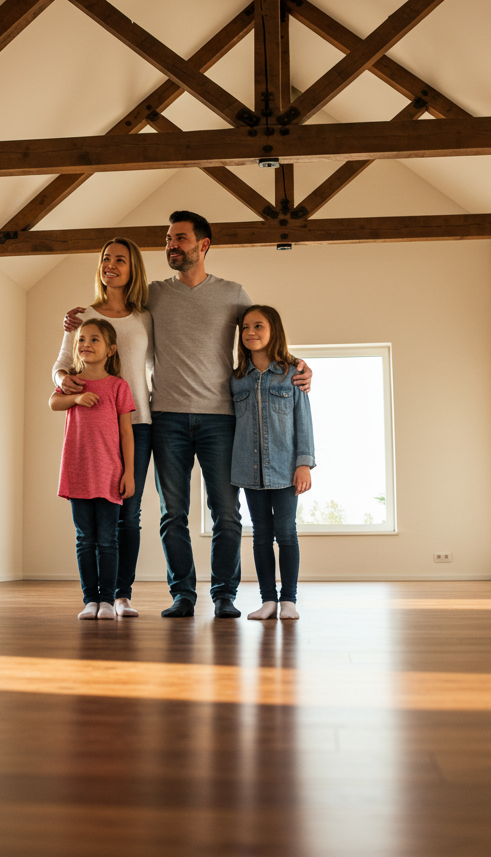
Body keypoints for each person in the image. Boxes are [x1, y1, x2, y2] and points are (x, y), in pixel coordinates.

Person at [65, 211, 311, 619]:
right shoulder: (154, 295)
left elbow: (262, 332)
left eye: (179, 238)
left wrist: (297, 364)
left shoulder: (233, 293)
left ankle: (224, 595)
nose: (171, 246)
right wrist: (71, 323)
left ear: (203, 245)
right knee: (171, 514)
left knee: (227, 514)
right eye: (167, 239)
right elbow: (112, 316)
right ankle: (183, 594)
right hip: (167, 418)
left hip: (221, 419)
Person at [54, 238, 153, 617]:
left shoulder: (145, 316)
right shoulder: (81, 318)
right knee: (95, 527)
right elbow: (62, 364)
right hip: (94, 426)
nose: (111, 265)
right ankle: (98, 597)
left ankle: (120, 595)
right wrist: (65, 382)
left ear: (133, 268)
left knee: (130, 514)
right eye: (106, 259)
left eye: (120, 260)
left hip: (137, 421)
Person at [231, 305, 315, 621]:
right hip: (249, 470)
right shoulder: (237, 379)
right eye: (245, 327)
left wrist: (304, 463)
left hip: (285, 469)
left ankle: (289, 600)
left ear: (273, 330)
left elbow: (303, 421)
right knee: (261, 535)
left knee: (286, 532)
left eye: (258, 326)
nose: (251, 332)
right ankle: (268, 600)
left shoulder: (293, 373)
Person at [49, 319, 136, 619]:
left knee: (107, 539)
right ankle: (90, 601)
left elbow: (127, 432)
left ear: (111, 349)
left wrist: (129, 472)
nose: (86, 343)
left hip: (109, 473)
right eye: (82, 339)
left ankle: (108, 602)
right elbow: (53, 403)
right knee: (84, 538)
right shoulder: (72, 381)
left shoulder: (118, 386)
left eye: (94, 339)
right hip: (77, 471)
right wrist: (76, 397)